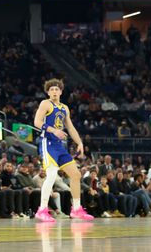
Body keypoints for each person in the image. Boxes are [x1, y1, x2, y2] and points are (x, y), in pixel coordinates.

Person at [33, 78, 94, 222]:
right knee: (52, 174)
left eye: (56, 89)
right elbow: (37, 122)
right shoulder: (45, 103)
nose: (54, 91)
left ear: (61, 91)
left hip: (60, 146)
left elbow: (70, 127)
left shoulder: (64, 108)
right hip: (47, 143)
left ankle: (77, 209)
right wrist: (53, 130)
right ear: (48, 92)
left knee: (76, 175)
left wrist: (79, 142)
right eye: (51, 89)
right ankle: (42, 210)